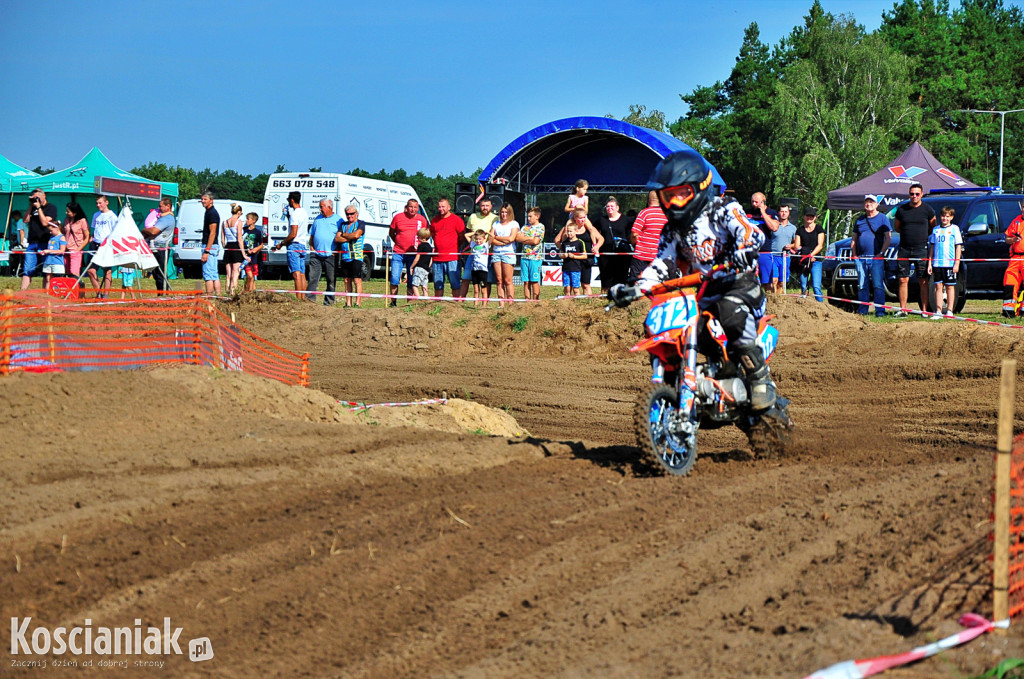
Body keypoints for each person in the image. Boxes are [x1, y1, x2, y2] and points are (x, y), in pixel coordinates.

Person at [610, 149, 777, 411]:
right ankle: (685, 381)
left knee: (730, 310)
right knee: (668, 322)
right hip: (704, 291)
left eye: (682, 194)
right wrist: (633, 288)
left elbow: (750, 233)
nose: (676, 203)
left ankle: (760, 379)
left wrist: (744, 250)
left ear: (699, 188)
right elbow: (662, 264)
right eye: (669, 196)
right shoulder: (672, 229)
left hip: (739, 284)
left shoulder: (723, 208)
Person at [893, 183, 936, 317]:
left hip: (921, 249)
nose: (914, 196)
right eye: (912, 194)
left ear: (921, 194)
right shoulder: (902, 210)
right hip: (904, 248)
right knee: (902, 279)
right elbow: (897, 227)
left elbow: (932, 227)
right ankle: (903, 310)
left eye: (917, 194)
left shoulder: (927, 210)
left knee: (923, 280)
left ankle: (924, 310)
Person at [850, 196, 892, 317]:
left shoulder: (883, 218)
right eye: (867, 202)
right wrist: (854, 255)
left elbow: (888, 238)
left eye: (871, 202)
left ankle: (880, 310)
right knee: (862, 284)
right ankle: (863, 310)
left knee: (878, 284)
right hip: (861, 257)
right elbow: (854, 238)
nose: (868, 204)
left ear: (877, 204)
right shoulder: (860, 220)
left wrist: (881, 253)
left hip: (876, 257)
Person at [388, 198, 428, 306]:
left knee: (412, 280)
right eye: (411, 207)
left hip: (413, 254)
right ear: (406, 208)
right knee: (395, 277)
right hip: (398, 252)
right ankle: (393, 302)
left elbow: (425, 235)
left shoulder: (422, 220)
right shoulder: (398, 217)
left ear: (418, 208)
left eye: (415, 207)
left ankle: (409, 304)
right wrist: (398, 242)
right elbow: (392, 232)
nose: (412, 209)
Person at [555, 207, 604, 295]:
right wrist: (562, 249)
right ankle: (568, 303)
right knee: (569, 286)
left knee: (585, 284)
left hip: (586, 260)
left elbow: (601, 238)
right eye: (580, 218)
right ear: (575, 218)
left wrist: (596, 247)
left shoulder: (589, 228)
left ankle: (586, 304)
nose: (582, 220)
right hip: (571, 262)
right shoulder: (569, 228)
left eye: (584, 218)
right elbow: (557, 240)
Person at [926, 206, 962, 320]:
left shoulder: (954, 229)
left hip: (949, 263)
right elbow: (932, 247)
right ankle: (938, 310)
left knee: (950, 286)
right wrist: (930, 263)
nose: (945, 218)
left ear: (951, 217)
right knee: (938, 286)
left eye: (947, 216)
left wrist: (957, 263)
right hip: (937, 263)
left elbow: (958, 247)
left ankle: (950, 310)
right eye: (943, 216)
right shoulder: (936, 230)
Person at [459, 199, 498, 300]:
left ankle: (485, 301)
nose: (485, 207)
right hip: (473, 253)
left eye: (487, 205)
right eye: (483, 205)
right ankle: (460, 300)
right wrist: (475, 233)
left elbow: (495, 236)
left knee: (487, 280)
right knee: (466, 277)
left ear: (491, 207)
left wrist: (487, 234)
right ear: (479, 206)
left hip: (487, 254)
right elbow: (468, 231)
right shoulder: (473, 216)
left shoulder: (495, 218)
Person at [273, 191, 309, 299]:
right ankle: (303, 297)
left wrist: (282, 243)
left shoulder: (295, 214)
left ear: (292, 200)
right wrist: (288, 216)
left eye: (288, 199)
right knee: (302, 273)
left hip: (294, 245)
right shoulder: (304, 212)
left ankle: (298, 298)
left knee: (296, 273)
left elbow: (293, 233)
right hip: (303, 244)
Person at [22, 189, 59, 291]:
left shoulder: (51, 208)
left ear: (44, 196)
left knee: (46, 270)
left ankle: (45, 293)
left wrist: (39, 208)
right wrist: (30, 206)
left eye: (37, 197)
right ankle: (22, 293)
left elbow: (45, 223)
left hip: (45, 242)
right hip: (32, 242)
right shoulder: (32, 207)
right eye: (34, 198)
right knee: (28, 269)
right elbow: (25, 220)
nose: (36, 200)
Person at [306, 199, 342, 305]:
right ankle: (310, 301)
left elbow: (341, 237)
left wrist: (337, 250)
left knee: (331, 279)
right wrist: (312, 247)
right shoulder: (317, 219)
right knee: (313, 278)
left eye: (322, 207)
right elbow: (312, 234)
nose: (320, 209)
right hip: (316, 255)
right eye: (320, 206)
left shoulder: (338, 220)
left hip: (331, 255)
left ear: (329, 207)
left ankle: (329, 302)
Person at [786, 206, 825, 302]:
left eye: (812, 216)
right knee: (803, 286)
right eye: (808, 216)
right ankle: (805, 308)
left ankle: (822, 308)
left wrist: (812, 255)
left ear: (815, 217)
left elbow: (820, 245)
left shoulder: (819, 229)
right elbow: (797, 246)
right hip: (803, 261)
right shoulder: (800, 230)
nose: (809, 218)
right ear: (804, 216)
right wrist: (792, 246)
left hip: (816, 261)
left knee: (816, 287)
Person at [629, 191, 668, 283]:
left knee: (636, 282)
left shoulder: (644, 213)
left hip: (641, 255)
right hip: (660, 255)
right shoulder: (666, 214)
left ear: (648, 200)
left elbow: (634, 233)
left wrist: (635, 244)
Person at [429, 198, 465, 298]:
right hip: (437, 257)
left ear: (449, 207)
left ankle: (456, 306)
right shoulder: (434, 220)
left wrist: (456, 247)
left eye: (443, 206)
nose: (441, 209)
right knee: (438, 285)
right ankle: (437, 305)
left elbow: (462, 237)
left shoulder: (457, 220)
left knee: (455, 284)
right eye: (439, 207)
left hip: (452, 258)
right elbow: (432, 234)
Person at [141, 197, 176, 294]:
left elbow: (153, 231)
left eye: (161, 206)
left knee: (161, 273)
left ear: (168, 206)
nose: (159, 208)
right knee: (156, 273)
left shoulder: (167, 218)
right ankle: (160, 293)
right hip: (155, 247)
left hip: (162, 249)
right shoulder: (161, 217)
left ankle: (164, 294)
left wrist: (144, 230)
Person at [597, 196, 632, 291]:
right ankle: (605, 295)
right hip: (605, 254)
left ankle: (620, 296)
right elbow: (592, 230)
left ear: (617, 207)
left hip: (622, 253)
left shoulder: (626, 220)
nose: (610, 208)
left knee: (621, 276)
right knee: (605, 276)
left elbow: (631, 235)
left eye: (612, 206)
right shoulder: (601, 220)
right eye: (608, 206)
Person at [748, 192, 779, 293]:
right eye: (752, 202)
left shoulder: (772, 213)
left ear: (763, 202)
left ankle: (770, 304)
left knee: (767, 282)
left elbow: (774, 227)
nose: (754, 204)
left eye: (756, 202)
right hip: (750, 251)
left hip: (764, 252)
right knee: (749, 282)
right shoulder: (747, 212)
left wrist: (763, 213)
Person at [336, 205, 365, 307]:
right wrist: (349, 237)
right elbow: (337, 239)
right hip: (345, 256)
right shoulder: (343, 225)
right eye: (347, 214)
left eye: (351, 214)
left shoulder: (360, 223)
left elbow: (356, 235)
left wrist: (344, 235)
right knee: (346, 280)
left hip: (356, 256)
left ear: (356, 213)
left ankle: (358, 303)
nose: (349, 216)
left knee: (357, 280)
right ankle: (348, 303)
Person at [491, 203, 519, 307]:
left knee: (508, 280)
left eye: (506, 212)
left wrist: (497, 238)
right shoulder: (496, 224)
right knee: (499, 280)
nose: (503, 214)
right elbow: (491, 238)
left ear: (509, 213)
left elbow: (511, 239)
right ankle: (501, 303)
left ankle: (510, 303)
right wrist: (502, 241)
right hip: (497, 253)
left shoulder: (514, 224)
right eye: (502, 212)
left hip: (508, 253)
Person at [516, 206, 545, 300]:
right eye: (528, 216)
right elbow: (518, 238)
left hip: (535, 258)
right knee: (526, 281)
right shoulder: (524, 227)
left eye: (530, 216)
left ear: (537, 216)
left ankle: (535, 301)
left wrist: (524, 239)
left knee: (534, 281)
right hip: (524, 257)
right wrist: (529, 239)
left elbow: (536, 241)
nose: (528, 218)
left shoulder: (540, 227)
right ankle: (527, 301)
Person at [196, 192, 222, 295]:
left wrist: (207, 250)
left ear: (211, 200)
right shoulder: (208, 212)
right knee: (213, 274)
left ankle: (210, 298)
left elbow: (213, 233)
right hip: (211, 246)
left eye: (205, 199)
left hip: (210, 246)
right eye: (202, 199)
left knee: (208, 275)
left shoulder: (212, 213)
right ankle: (218, 297)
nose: (203, 201)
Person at [769, 204, 797, 294]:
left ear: (789, 213)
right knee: (774, 281)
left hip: (785, 258)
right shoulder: (774, 226)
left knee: (781, 282)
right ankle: (773, 301)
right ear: (778, 213)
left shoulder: (793, 228)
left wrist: (791, 246)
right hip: (773, 256)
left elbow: (797, 243)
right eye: (782, 211)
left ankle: (780, 301)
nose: (784, 213)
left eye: (786, 211)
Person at [1002, 199, 1024, 317]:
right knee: (1010, 282)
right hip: (1015, 257)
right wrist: (1013, 240)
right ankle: (1008, 310)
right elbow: (1006, 239)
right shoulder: (1016, 221)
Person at [221, 203, 247, 296]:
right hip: (236, 247)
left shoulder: (224, 222)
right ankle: (233, 293)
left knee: (228, 274)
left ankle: (227, 292)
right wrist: (243, 254)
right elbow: (240, 239)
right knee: (235, 273)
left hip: (228, 247)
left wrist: (225, 247)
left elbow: (222, 240)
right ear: (239, 212)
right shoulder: (239, 222)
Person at [62, 202, 90, 280]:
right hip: (66, 250)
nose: (66, 213)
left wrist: (78, 249)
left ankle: (75, 290)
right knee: (67, 272)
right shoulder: (66, 220)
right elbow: (64, 233)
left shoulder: (82, 221)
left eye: (68, 211)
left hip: (76, 250)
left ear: (74, 213)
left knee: (74, 273)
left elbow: (87, 237)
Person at [560, 219, 586, 296]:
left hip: (576, 269)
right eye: (568, 231)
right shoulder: (564, 243)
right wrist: (563, 256)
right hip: (566, 268)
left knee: (575, 288)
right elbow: (561, 254)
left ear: (576, 231)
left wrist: (574, 256)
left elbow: (585, 256)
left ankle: (577, 303)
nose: (569, 233)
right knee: (567, 288)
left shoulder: (580, 243)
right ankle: (567, 302)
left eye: (571, 231)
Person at [241, 212, 264, 293]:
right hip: (245, 257)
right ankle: (246, 292)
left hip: (254, 257)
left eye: (248, 219)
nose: (246, 220)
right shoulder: (244, 230)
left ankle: (252, 293)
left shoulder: (257, 232)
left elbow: (261, 245)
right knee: (249, 276)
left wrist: (256, 249)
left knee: (252, 277)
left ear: (254, 221)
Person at [466, 230, 491, 307]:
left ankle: (484, 305)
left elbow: (493, 237)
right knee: (476, 289)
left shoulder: (486, 245)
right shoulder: (473, 244)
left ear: (484, 239)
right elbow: (466, 235)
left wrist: (487, 233)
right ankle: (475, 304)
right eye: (476, 239)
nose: (478, 241)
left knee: (483, 289)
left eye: (480, 239)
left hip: (483, 270)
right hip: (474, 269)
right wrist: (475, 233)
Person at [39, 222, 67, 288]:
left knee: (57, 280)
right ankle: (47, 293)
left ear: (57, 228)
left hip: (57, 262)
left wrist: (49, 251)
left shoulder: (62, 237)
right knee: (48, 279)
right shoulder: (51, 237)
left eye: (51, 231)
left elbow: (62, 251)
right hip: (48, 261)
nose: (50, 233)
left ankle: (58, 293)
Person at [409, 227, 433, 299]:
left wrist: (411, 267)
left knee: (414, 285)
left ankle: (418, 299)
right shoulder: (430, 247)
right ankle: (426, 299)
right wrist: (428, 267)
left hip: (419, 268)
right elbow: (431, 259)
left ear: (421, 237)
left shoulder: (421, 246)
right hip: (426, 269)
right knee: (424, 285)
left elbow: (417, 258)